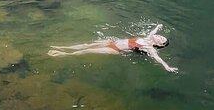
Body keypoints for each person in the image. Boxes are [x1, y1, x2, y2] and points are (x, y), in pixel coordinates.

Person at [48, 24, 178, 73]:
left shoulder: (150, 48)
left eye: (162, 40)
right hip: (113, 42)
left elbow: (158, 59)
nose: (161, 37)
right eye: (162, 37)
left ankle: (61, 54)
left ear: (158, 45)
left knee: (87, 50)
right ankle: (63, 47)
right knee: (88, 45)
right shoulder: (149, 37)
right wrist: (158, 27)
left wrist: (167, 67)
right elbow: (153, 31)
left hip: (116, 50)